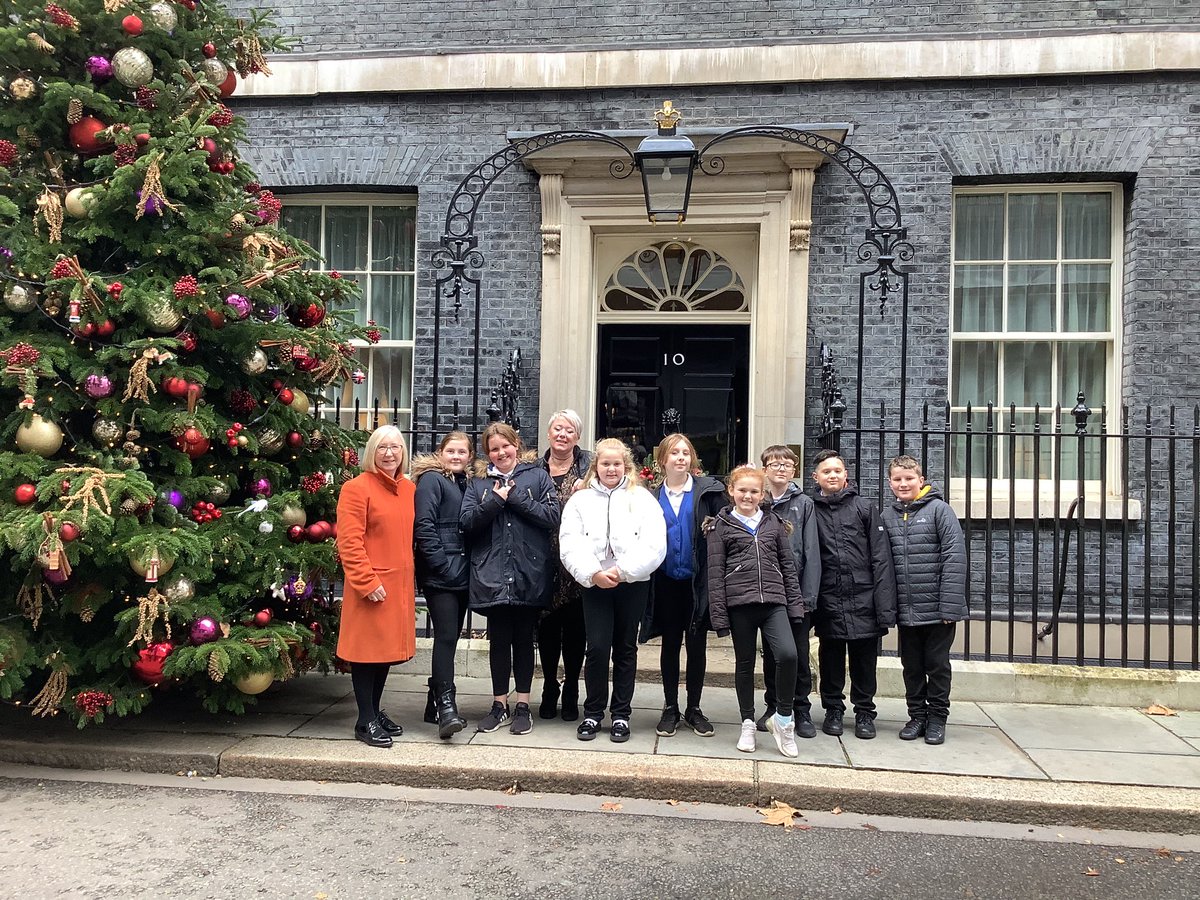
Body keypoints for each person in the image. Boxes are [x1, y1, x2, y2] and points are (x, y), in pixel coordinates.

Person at [559, 439, 666, 743]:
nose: (611, 468)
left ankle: (621, 714)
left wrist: (624, 570)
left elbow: (654, 542)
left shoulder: (642, 499)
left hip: (631, 583)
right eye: (605, 463)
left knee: (625, 649)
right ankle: (593, 713)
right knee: (596, 648)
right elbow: (570, 541)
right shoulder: (580, 501)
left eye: (617, 463)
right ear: (596, 466)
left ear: (626, 466)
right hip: (595, 583)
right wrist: (592, 572)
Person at [460, 422, 560, 737]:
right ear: (487, 454)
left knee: (524, 640)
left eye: (506, 446)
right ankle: (499, 704)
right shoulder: (478, 484)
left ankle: (522, 705)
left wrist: (514, 498)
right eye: (494, 449)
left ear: (516, 444)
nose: (501, 453)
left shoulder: (537, 476)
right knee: (499, 640)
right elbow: (466, 523)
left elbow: (551, 518)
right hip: (492, 573)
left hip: (528, 571)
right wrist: (494, 500)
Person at [706, 465, 805, 758]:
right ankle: (747, 722)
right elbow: (715, 572)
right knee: (745, 664)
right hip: (740, 605)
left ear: (762, 494)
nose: (747, 496)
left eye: (754, 491)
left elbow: (788, 566)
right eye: (742, 491)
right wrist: (719, 616)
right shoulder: (720, 526)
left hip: (774, 603)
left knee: (788, 655)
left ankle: (783, 719)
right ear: (731, 492)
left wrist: (795, 606)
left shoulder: (773, 522)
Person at [335, 425, 417, 749]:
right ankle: (364, 719)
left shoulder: (409, 489)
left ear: (402, 453)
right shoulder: (357, 488)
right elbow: (349, 542)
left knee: (383, 655)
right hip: (371, 585)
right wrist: (367, 582)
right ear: (372, 452)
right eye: (382, 447)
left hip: (398, 585)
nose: (389, 453)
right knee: (366, 655)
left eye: (395, 447)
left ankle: (373, 711)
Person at [641, 433, 726, 738]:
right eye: (674, 453)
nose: (681, 458)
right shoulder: (649, 495)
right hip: (664, 581)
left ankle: (694, 708)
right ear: (662, 460)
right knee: (669, 645)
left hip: (696, 581)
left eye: (685, 453)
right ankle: (670, 707)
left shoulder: (709, 493)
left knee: (696, 645)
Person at [810, 448, 898, 740]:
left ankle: (864, 712)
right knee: (831, 658)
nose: (832, 475)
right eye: (826, 471)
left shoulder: (864, 508)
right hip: (829, 597)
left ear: (845, 475)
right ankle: (833, 709)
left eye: (837, 470)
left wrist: (884, 607)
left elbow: (881, 558)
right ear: (816, 477)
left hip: (864, 597)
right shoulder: (811, 509)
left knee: (864, 660)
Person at [880, 455, 968, 746]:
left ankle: (937, 719)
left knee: (937, 665)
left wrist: (950, 606)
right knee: (912, 666)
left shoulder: (940, 511)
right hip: (907, 609)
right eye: (897, 479)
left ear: (921, 479)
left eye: (908, 478)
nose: (903, 484)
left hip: (937, 609)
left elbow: (954, 558)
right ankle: (916, 716)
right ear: (890, 483)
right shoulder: (888, 516)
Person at [754, 445, 821, 739]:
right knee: (772, 653)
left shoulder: (804, 503)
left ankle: (801, 707)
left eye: (786, 465)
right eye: (774, 464)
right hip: (768, 591)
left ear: (794, 471)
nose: (780, 469)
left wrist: (807, 596)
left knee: (798, 653)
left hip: (796, 593)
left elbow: (810, 550)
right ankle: (774, 705)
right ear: (765, 469)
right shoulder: (759, 500)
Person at [412, 431, 474, 740]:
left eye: (462, 451)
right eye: (451, 450)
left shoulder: (465, 483)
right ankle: (446, 707)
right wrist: (441, 565)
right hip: (442, 575)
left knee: (451, 637)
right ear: (441, 452)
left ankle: (431, 704)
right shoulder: (432, 481)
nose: (456, 456)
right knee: (446, 638)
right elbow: (423, 525)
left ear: (469, 456)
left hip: (462, 573)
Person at [535, 409, 591, 721]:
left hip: (577, 561)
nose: (562, 435)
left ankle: (571, 687)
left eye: (569, 430)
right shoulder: (534, 469)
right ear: (548, 433)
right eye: (557, 429)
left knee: (574, 630)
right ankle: (549, 686)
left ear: (577, 437)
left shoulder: (589, 469)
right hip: (543, 560)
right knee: (546, 628)